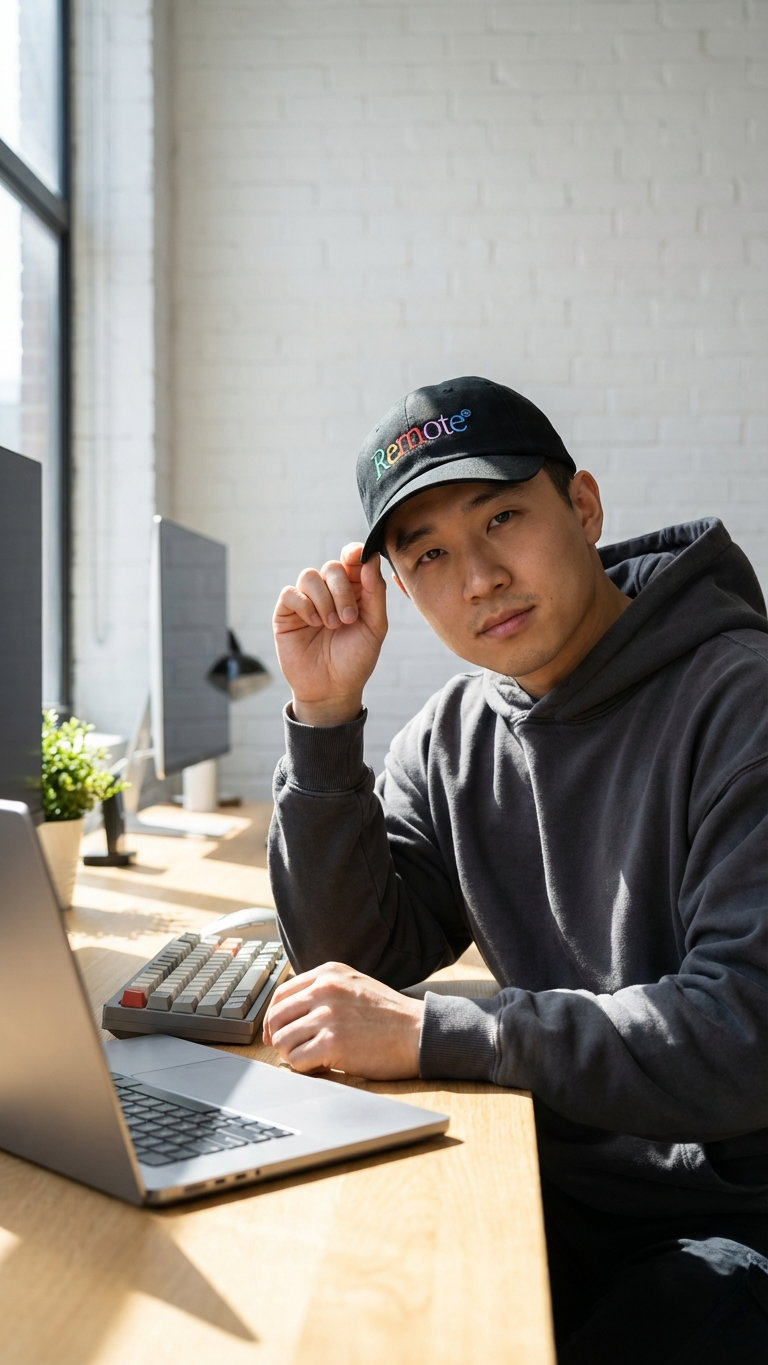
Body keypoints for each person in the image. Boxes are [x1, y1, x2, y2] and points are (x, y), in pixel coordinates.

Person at [262, 376, 768, 1363]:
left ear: (581, 506)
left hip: (735, 1223)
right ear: (402, 591)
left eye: (502, 518)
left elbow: (740, 1036)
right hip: (562, 1188)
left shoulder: (738, 701)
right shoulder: (455, 736)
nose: (481, 575)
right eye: (432, 555)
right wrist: (324, 720)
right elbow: (355, 958)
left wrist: (436, 1031)